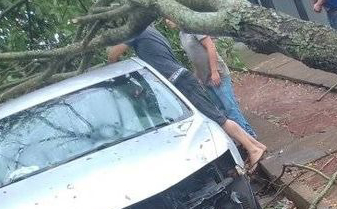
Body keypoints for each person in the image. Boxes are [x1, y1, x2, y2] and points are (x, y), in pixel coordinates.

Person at [107, 26, 266, 169]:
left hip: (180, 81)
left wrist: (121, 78)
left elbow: (112, 55)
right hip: (183, 78)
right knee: (216, 116)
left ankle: (253, 148)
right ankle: (256, 145)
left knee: (217, 118)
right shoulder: (152, 31)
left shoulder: (136, 30)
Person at [163, 19, 257, 137]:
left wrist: (214, 72)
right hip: (205, 78)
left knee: (230, 108)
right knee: (221, 111)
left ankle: (250, 136)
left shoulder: (193, 28)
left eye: (168, 18)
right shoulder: (181, 35)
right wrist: (197, 76)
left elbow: (211, 47)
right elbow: (194, 57)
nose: (167, 21)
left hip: (217, 74)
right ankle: (241, 139)